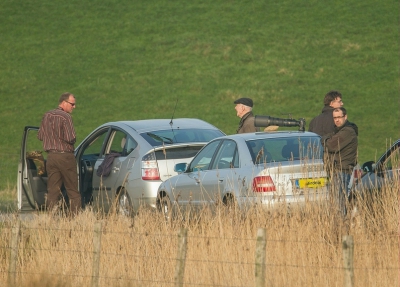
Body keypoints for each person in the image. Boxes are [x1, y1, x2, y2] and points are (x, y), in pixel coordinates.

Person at [38, 92, 81, 216]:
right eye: (72, 104)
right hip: (65, 156)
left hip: (51, 157)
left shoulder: (46, 115)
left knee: (53, 191)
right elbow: (71, 138)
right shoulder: (66, 117)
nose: (74, 107)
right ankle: (74, 219)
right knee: (73, 190)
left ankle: (51, 218)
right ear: (64, 102)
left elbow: (40, 136)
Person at [321, 107, 358, 215]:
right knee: (336, 204)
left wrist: (325, 140)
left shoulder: (348, 131)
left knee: (339, 205)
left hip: (343, 171)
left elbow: (331, 145)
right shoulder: (339, 131)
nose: (337, 120)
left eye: (339, 117)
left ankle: (342, 227)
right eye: (335, 118)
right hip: (337, 172)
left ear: (345, 117)